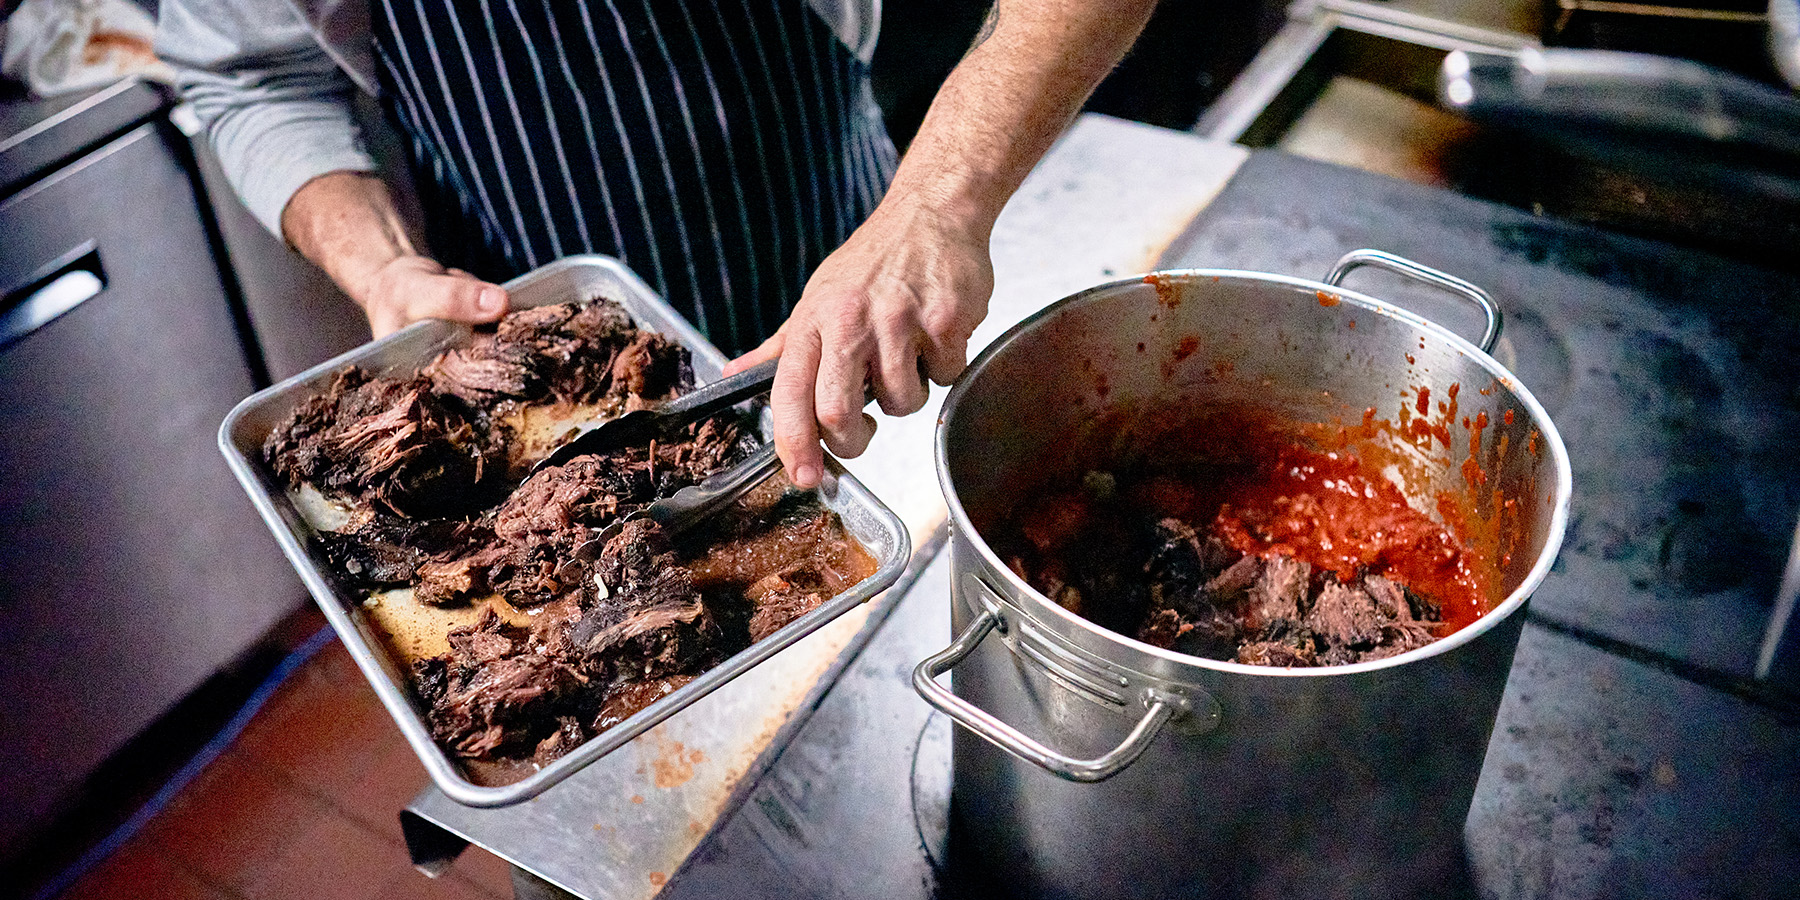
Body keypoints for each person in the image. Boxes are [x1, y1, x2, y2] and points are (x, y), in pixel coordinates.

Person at [156, 0, 1159, 489]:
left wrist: (935, 207)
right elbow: (254, 77)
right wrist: (382, 267)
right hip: (530, 378)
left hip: (851, 290)